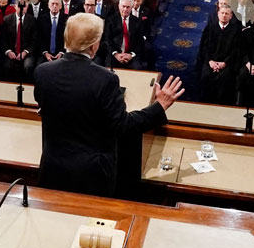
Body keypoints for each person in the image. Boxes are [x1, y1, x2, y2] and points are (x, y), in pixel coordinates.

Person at [33, 12, 183, 196]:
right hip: (91, 176)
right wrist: (159, 106)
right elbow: (123, 126)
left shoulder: (42, 73)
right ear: (94, 46)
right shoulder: (105, 79)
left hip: (52, 169)